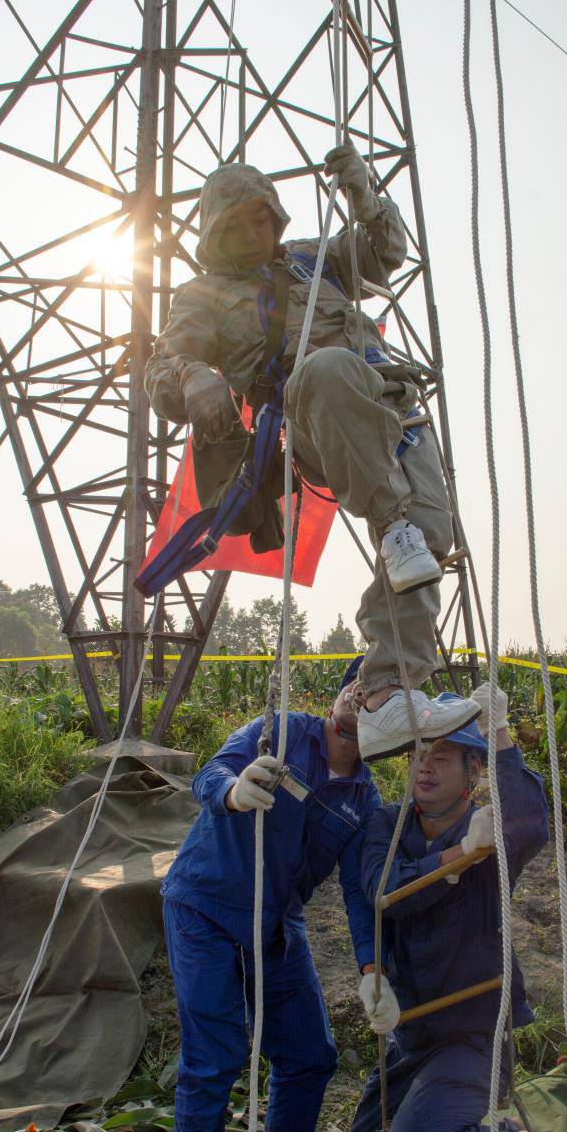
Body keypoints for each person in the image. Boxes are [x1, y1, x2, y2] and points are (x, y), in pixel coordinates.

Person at [145, 143, 479, 759]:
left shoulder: (311, 259)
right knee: (326, 370)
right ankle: (390, 524)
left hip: (391, 408)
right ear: (214, 232)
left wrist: (364, 194)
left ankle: (384, 692)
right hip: (316, 413)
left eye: (261, 217)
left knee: (431, 533)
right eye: (236, 224)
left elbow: (381, 258)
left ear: (276, 216)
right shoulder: (204, 295)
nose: (253, 232)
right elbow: (163, 368)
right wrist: (193, 376)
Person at [161, 665, 381, 1132]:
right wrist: (233, 793)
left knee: (310, 1052)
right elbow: (211, 774)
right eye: (357, 683)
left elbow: (359, 893)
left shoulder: (364, 798)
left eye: (379, 692)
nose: (361, 696)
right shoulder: (278, 732)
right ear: (340, 691)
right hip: (206, 905)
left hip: (276, 922)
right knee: (215, 1054)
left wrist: (370, 968)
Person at [348, 684, 555, 1132]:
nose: (425, 767)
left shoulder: (490, 834)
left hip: (473, 1037)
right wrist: (455, 857)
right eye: (419, 755)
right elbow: (381, 891)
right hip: (411, 1038)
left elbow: (531, 824)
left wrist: (500, 733)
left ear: (473, 770)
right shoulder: (387, 828)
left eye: (441, 757)